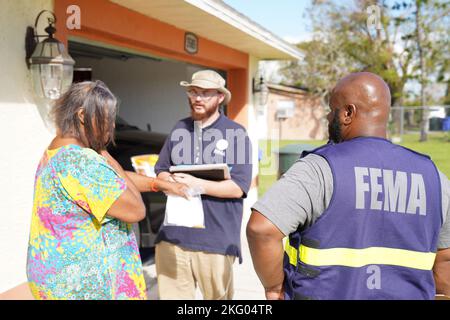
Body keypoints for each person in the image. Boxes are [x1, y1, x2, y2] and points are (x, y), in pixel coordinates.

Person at [247, 72, 450, 300]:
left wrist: (274, 288)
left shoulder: (318, 169)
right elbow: (445, 260)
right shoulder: (434, 177)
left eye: (332, 109)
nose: (327, 116)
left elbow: (261, 229)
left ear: (347, 113)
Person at [26, 80, 187, 300]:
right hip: (85, 288)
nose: (111, 127)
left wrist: (156, 184)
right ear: (83, 115)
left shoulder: (59, 149)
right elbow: (136, 210)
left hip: (59, 279)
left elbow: (107, 182)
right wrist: (105, 152)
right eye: (108, 118)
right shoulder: (81, 161)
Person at [153, 70, 253, 300]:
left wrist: (197, 184)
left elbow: (238, 187)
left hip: (215, 241)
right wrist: (169, 181)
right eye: (194, 92)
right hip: (172, 238)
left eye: (206, 93)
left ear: (220, 97)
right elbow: (161, 168)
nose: (198, 98)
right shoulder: (180, 128)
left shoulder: (235, 133)